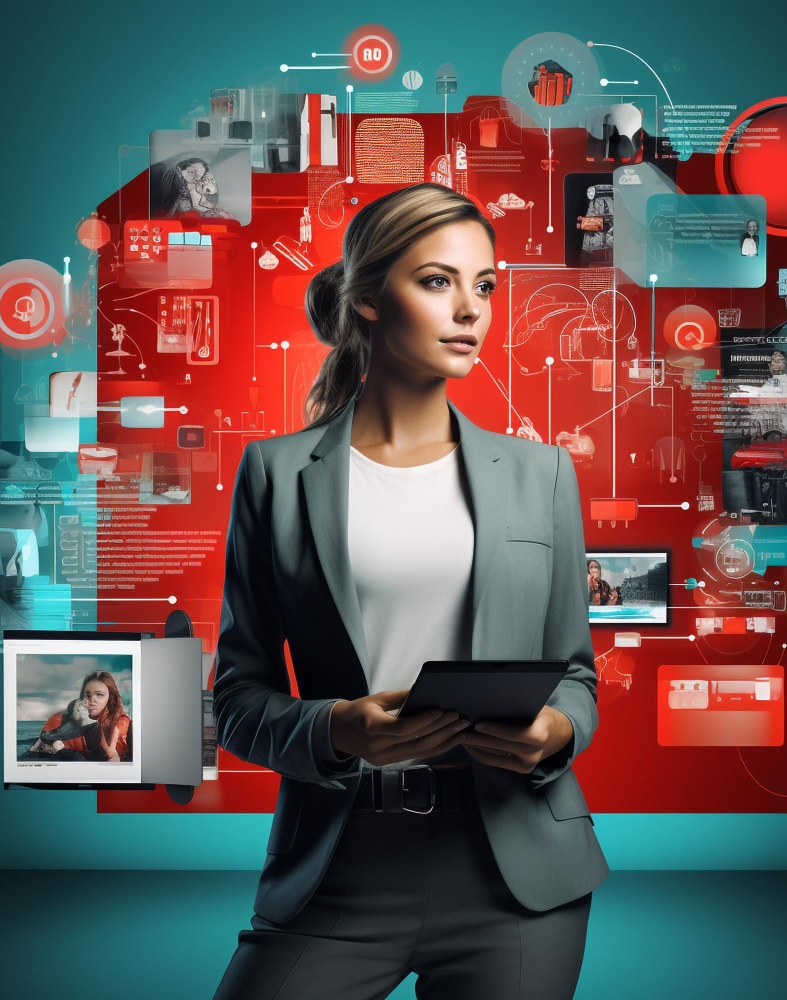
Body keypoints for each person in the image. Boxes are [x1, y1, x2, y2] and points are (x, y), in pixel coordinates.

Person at [212, 182, 607, 1000]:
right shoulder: (276, 474)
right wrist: (334, 728)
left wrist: (557, 732)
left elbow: (576, 670)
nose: (470, 310)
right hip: (338, 860)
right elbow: (239, 697)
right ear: (365, 299)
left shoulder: (544, 474)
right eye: (437, 281)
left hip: (517, 873)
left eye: (486, 285)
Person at [24, 670, 131, 762]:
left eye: (99, 695)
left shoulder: (122, 725)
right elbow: (32, 754)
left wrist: (115, 759)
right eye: (88, 695)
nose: (92, 700)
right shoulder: (59, 719)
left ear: (110, 697)